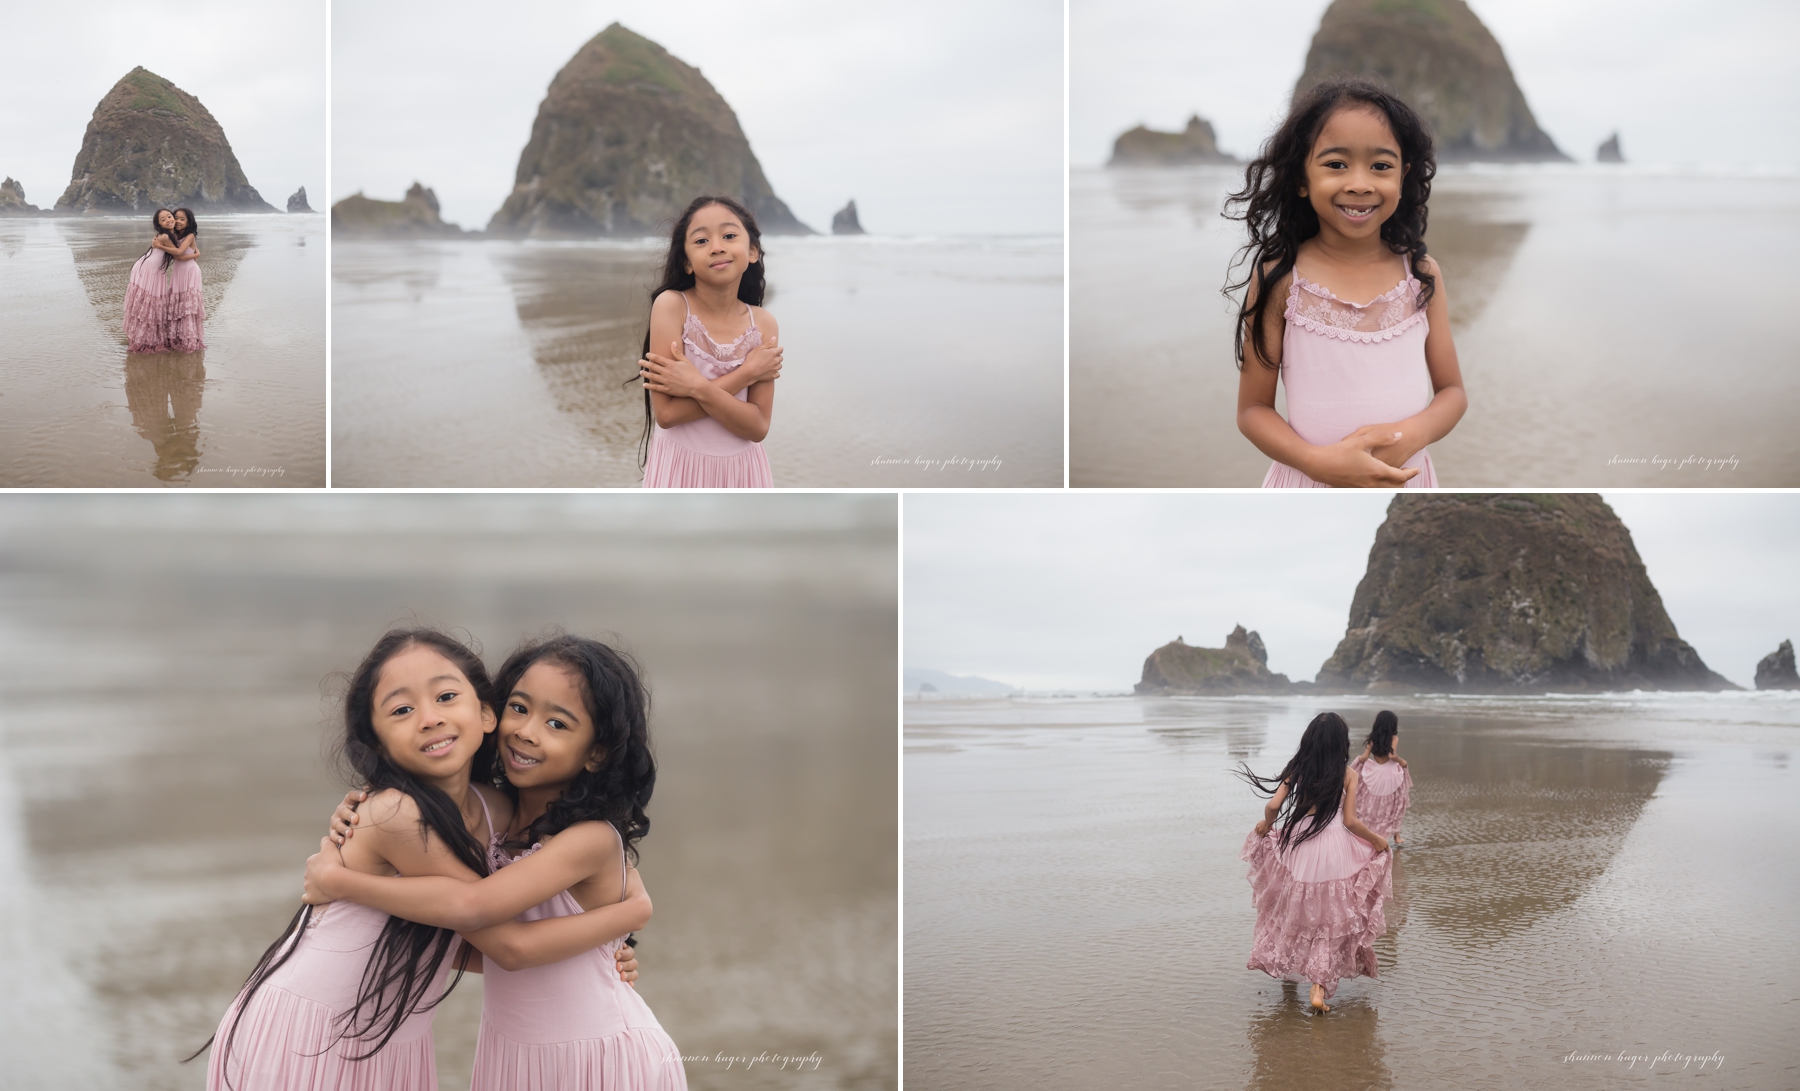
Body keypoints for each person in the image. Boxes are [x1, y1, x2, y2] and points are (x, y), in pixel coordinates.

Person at [195, 630, 644, 1090]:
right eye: (402, 710)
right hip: (309, 1031)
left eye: (446, 696)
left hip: (387, 1040)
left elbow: (464, 938)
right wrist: (628, 913)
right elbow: (479, 916)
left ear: (484, 711)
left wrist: (604, 938)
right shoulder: (396, 813)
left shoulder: (499, 813)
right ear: (377, 743)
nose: (429, 719)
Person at [306, 634, 686, 1089]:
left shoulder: (589, 838)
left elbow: (507, 940)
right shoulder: (492, 819)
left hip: (597, 1055)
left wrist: (342, 881)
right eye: (520, 708)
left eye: (558, 724)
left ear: (597, 753)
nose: (526, 731)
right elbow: (473, 941)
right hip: (514, 1058)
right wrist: (362, 813)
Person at [1227, 77, 1468, 488]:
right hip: (1309, 483)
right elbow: (1252, 410)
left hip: (1406, 480)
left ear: (1403, 176)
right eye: (1336, 164)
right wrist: (1315, 462)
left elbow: (1452, 393)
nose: (1360, 183)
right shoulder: (1281, 278)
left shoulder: (1421, 275)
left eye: (1380, 166)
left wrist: (1415, 434)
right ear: (1301, 177)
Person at [1236, 712, 1392, 1013]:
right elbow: (1350, 821)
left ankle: (1287, 967)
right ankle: (1318, 988)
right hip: (1335, 848)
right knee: (1330, 917)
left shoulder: (1299, 768)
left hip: (1300, 846)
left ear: (1309, 741)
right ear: (1340, 743)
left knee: (1293, 910)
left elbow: (1273, 805)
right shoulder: (1348, 774)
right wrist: (1376, 840)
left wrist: (1267, 824)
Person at [635, 195, 784, 488]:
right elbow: (667, 415)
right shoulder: (672, 306)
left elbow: (757, 427)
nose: (717, 247)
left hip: (743, 471)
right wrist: (747, 373)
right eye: (701, 241)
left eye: (729, 236)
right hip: (680, 467)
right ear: (686, 262)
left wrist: (695, 387)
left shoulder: (763, 324)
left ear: (752, 251)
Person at [1351, 710, 1411, 847]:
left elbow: (1365, 757)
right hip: (1389, 774)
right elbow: (1392, 756)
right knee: (1394, 804)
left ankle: (1368, 831)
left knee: (1368, 803)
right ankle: (1396, 837)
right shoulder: (1394, 738)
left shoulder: (1372, 739)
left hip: (1374, 773)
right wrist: (1403, 762)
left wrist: (1355, 764)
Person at [123, 208, 178, 353]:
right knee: (150, 305)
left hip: (151, 267)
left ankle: (142, 337)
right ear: (159, 224)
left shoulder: (169, 235)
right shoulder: (165, 237)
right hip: (150, 269)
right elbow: (177, 254)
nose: (168, 220)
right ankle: (144, 340)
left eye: (169, 216)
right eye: (163, 220)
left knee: (149, 305)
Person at [165, 207, 206, 352]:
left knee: (187, 305)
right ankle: (176, 337)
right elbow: (177, 256)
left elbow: (179, 255)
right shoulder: (173, 235)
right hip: (178, 271)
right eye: (176, 218)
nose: (178, 221)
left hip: (190, 271)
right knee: (178, 303)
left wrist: (196, 255)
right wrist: (196, 254)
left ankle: (189, 338)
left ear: (188, 222)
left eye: (182, 219)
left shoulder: (190, 235)